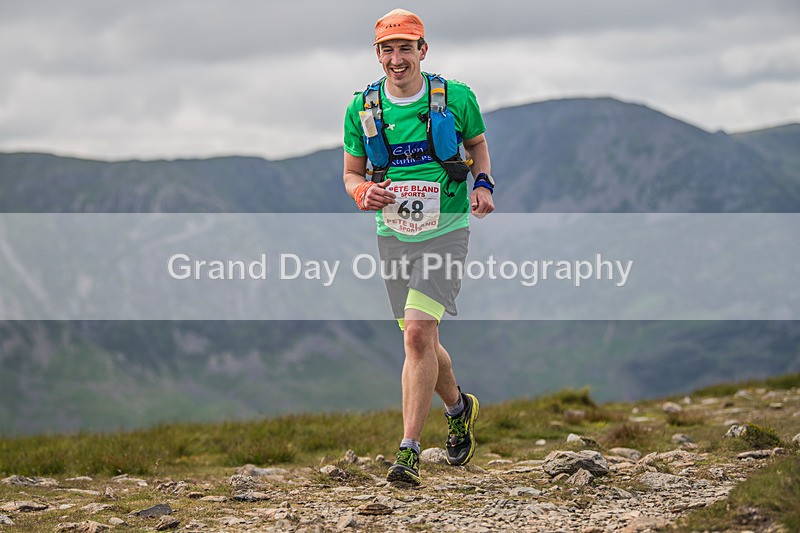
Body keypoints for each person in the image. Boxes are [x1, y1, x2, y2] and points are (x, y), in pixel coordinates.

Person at [342, 8, 494, 485]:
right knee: (422, 339)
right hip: (393, 235)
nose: (396, 58)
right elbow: (352, 173)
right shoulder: (362, 109)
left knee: (415, 338)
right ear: (378, 55)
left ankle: (407, 451)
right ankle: (458, 407)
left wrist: (483, 184)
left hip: (446, 228)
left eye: (405, 48)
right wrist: (363, 192)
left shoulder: (457, 97)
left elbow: (477, 146)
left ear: (422, 51)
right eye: (387, 49)